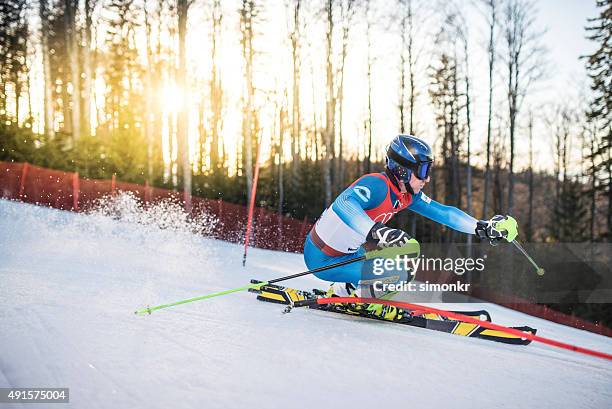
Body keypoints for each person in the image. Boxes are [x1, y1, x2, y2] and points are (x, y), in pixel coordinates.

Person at [303, 134, 518, 319]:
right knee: (400, 271)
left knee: (405, 252)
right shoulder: (376, 184)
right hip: (322, 258)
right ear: (402, 170)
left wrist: (481, 227)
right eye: (423, 170)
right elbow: (344, 204)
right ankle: (368, 302)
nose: (427, 178)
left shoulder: (407, 195)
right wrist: (378, 231)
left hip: (348, 254)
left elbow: (443, 212)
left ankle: (342, 291)